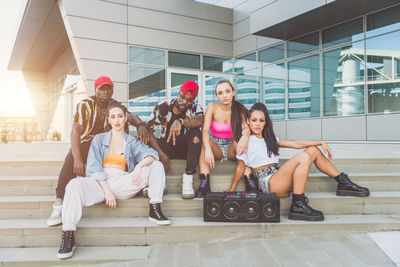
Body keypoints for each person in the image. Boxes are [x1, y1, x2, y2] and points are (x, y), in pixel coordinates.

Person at [57, 102, 170, 259]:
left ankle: (155, 207)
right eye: (113, 117)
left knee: (156, 165)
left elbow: (152, 154)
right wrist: (107, 190)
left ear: (125, 119)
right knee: (74, 184)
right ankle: (68, 234)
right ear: (108, 120)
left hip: (122, 182)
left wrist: (138, 167)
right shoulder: (98, 139)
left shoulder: (131, 141)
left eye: (120, 116)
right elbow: (93, 168)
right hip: (99, 184)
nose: (117, 120)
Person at [229, 102, 370, 221]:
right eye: (254, 120)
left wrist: (320, 142)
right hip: (269, 184)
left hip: (280, 176)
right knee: (303, 157)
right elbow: (241, 168)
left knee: (312, 150)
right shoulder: (245, 141)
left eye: (261, 120)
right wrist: (231, 190)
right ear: (248, 121)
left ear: (266, 122)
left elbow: (296, 144)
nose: (258, 124)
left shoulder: (271, 139)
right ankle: (298, 204)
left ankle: (342, 182)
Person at [47, 76, 150, 226]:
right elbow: (75, 132)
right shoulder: (85, 105)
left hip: (107, 144)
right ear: (96, 90)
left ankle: (144, 183)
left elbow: (129, 116)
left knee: (131, 145)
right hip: (87, 143)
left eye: (109, 88)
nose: (106, 91)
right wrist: (77, 159)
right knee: (71, 157)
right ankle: (59, 202)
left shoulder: (114, 105)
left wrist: (140, 124)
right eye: (102, 88)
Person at [146, 80, 204, 199]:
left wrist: (181, 121)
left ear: (193, 100)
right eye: (182, 97)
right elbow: (149, 130)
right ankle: (156, 181)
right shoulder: (163, 107)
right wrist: (161, 154)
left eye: (189, 100)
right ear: (178, 93)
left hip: (184, 149)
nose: (184, 102)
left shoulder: (195, 108)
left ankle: (188, 180)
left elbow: (200, 120)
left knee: (197, 134)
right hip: (164, 147)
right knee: (145, 137)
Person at [196, 80, 251, 198]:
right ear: (217, 96)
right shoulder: (212, 107)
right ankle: (204, 182)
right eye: (220, 93)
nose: (224, 95)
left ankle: (249, 180)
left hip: (232, 146)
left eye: (227, 91)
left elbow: (245, 128)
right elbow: (205, 131)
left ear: (233, 92)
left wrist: (246, 137)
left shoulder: (239, 109)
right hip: (216, 145)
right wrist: (209, 150)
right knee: (205, 144)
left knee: (242, 142)